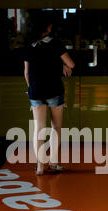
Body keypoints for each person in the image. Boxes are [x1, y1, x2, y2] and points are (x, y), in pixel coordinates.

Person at [22, 17, 75, 176]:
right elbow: (71, 64)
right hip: (54, 91)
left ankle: (40, 165)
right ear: (48, 27)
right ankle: (53, 162)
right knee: (55, 127)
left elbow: (26, 73)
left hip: (36, 92)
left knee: (38, 129)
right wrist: (63, 65)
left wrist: (32, 90)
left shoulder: (29, 46)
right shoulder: (56, 43)